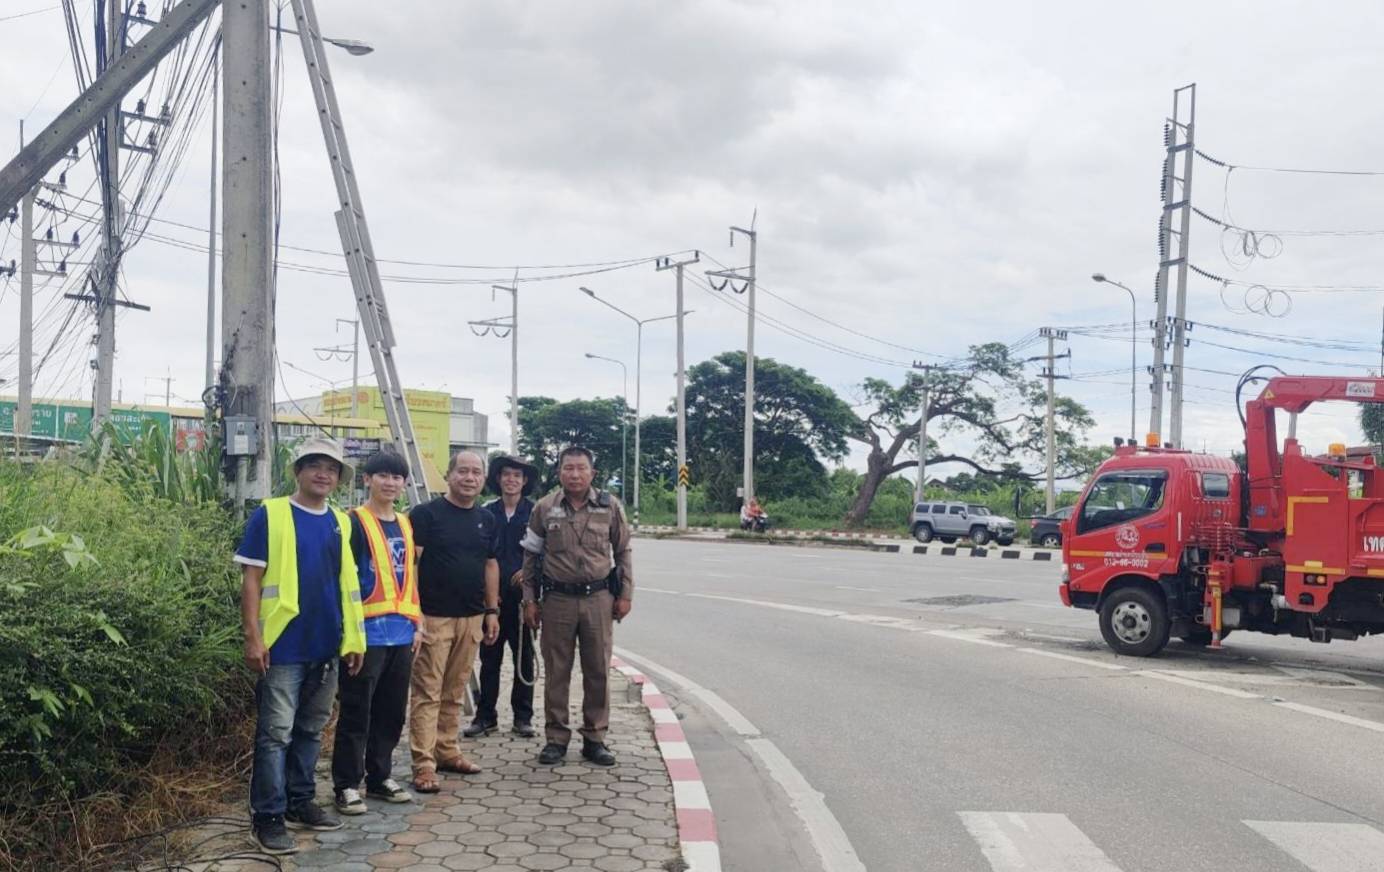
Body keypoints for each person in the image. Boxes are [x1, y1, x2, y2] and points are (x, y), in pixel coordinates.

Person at [235, 437, 365, 856]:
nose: (323, 474)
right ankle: (268, 817)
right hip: (282, 647)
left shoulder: (341, 522)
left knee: (310, 730)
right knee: (275, 735)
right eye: (314, 465)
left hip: (326, 645)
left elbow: (347, 586)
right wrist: (253, 637)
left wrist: (353, 640)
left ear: (339, 478)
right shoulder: (271, 513)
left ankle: (300, 800)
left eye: (331, 468)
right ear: (298, 471)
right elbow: (251, 579)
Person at [521, 446, 634, 767]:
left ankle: (595, 738)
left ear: (592, 473)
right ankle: (556, 738)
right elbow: (530, 556)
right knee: (557, 672)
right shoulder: (544, 508)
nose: (574, 474)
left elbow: (623, 551)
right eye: (568, 468)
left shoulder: (610, 506)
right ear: (559, 472)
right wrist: (529, 600)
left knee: (598, 670)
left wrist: (625, 594)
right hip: (557, 600)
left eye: (581, 468)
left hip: (599, 599)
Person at [331, 451, 422, 816]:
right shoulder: (353, 522)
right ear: (367, 479)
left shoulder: (405, 523)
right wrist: (349, 634)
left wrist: (417, 623)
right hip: (366, 635)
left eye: (397, 477)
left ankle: (380, 776)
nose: (390, 482)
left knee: (391, 712)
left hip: (402, 634)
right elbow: (342, 579)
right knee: (357, 712)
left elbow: (410, 578)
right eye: (383, 475)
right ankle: (346, 784)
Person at [406, 450, 501, 794]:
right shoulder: (426, 515)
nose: (469, 478)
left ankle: (447, 750)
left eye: (476, 472)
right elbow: (412, 565)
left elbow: (490, 564)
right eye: (463, 471)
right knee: (427, 693)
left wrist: (491, 611)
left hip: (472, 617)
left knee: (454, 691)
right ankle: (423, 764)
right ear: (448, 475)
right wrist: (414, 611)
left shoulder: (486, 519)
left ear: (483, 479)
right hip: (434, 617)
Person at [465, 454, 540, 739]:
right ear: (498, 478)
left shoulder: (535, 513)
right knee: (489, 660)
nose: (511, 480)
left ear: (524, 481)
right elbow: (479, 556)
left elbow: (547, 552)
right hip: (492, 603)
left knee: (524, 659)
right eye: (506, 474)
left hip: (524, 602)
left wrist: (529, 572)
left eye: (517, 476)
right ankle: (486, 716)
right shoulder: (486, 512)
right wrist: (487, 597)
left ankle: (523, 717)